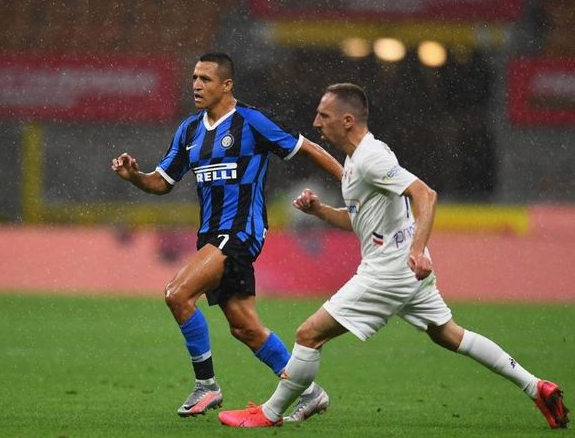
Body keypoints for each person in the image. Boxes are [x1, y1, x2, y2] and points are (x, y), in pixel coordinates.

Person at [218, 83, 569, 429]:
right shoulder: (357, 159)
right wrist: (320, 210)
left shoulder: (372, 158)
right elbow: (358, 221)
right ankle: (536, 386)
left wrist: (417, 251)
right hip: (402, 267)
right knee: (448, 334)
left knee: (309, 333)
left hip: (389, 270)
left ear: (348, 120)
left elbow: (425, 195)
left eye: (324, 115)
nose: (316, 122)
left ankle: (271, 412)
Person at [111, 53, 342, 419]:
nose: (196, 85)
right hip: (211, 237)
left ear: (227, 85)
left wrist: (350, 181)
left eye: (205, 79)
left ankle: (207, 386)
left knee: (177, 293)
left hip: (240, 232)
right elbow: (162, 182)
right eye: (193, 78)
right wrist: (135, 177)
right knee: (244, 327)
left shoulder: (251, 122)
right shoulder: (189, 131)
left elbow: (306, 148)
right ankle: (309, 391)